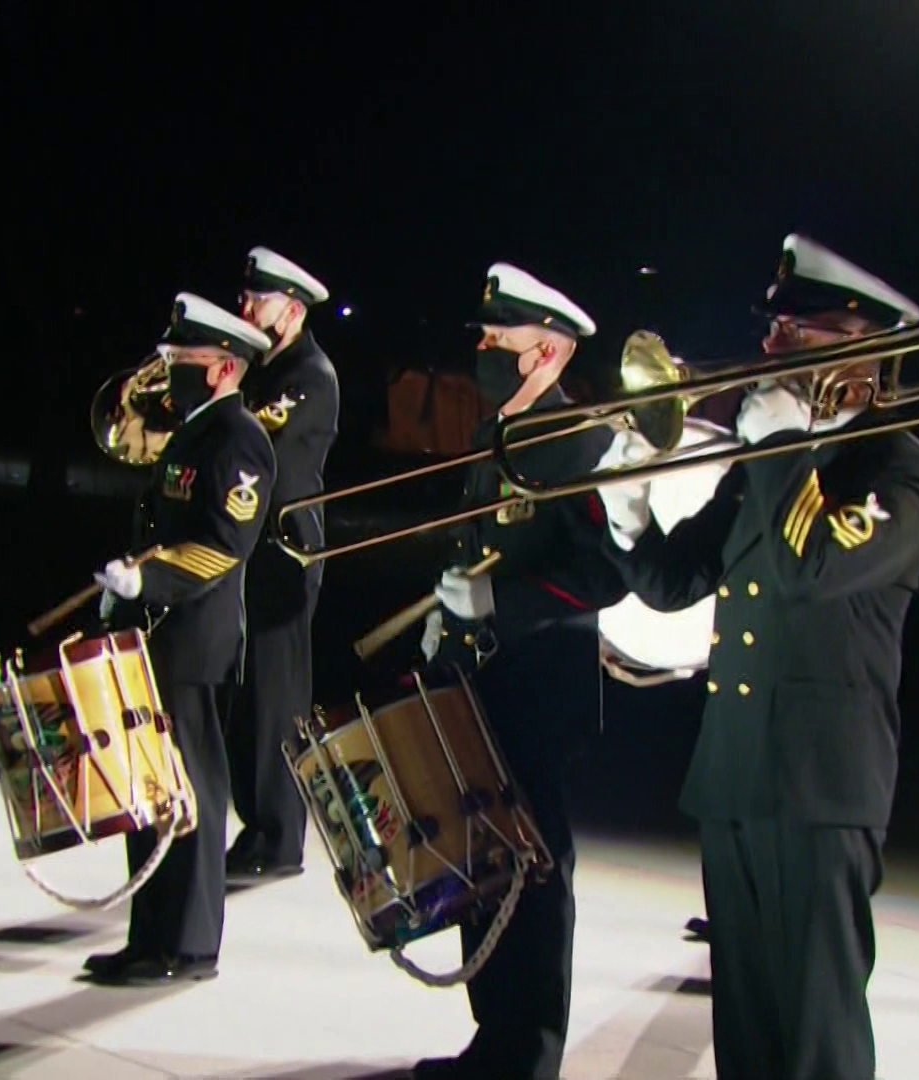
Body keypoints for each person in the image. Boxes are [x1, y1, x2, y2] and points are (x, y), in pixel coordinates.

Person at [598, 234, 919, 1080]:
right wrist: (628, 513)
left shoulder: (899, 468)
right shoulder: (771, 459)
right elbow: (678, 581)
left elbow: (810, 566)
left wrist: (782, 449)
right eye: (775, 327)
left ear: (859, 343)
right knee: (747, 1030)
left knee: (818, 1032)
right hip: (737, 775)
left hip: (823, 787)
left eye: (794, 329)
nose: (768, 344)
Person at [411, 262, 627, 1080]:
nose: (486, 352)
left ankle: (530, 1051)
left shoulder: (583, 440)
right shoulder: (494, 433)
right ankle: (493, 1037)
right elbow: (476, 540)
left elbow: (602, 573)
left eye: (503, 340)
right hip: (477, 677)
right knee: (482, 859)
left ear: (550, 352)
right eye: (486, 339)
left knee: (535, 865)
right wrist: (448, 614)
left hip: (539, 682)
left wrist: (500, 601)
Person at [79, 293, 276, 986]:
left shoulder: (238, 438)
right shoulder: (192, 432)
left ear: (223, 368)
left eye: (183, 359)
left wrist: (150, 580)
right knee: (153, 789)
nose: (169, 372)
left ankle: (189, 946)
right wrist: (129, 585)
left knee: (192, 792)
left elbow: (225, 543)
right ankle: (150, 936)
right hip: (159, 635)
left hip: (194, 639)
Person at [224, 246, 341, 885]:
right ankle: (257, 827)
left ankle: (280, 837)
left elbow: (251, 434)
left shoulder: (310, 374)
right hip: (250, 551)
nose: (244, 307)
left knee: (276, 698)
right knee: (247, 698)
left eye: (257, 300)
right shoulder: (259, 367)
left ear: (292, 309)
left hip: (287, 553)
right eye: (245, 297)